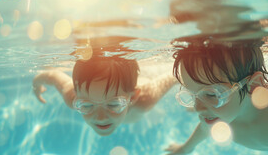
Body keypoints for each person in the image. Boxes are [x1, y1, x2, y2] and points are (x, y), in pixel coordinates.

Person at [33, 52, 176, 136]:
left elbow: (174, 75)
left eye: (114, 104)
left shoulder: (146, 98)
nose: (100, 117)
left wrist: (197, 96)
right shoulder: (72, 96)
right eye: (87, 105)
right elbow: (51, 76)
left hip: (144, 80)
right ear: (77, 97)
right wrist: (36, 85)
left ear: (133, 97)